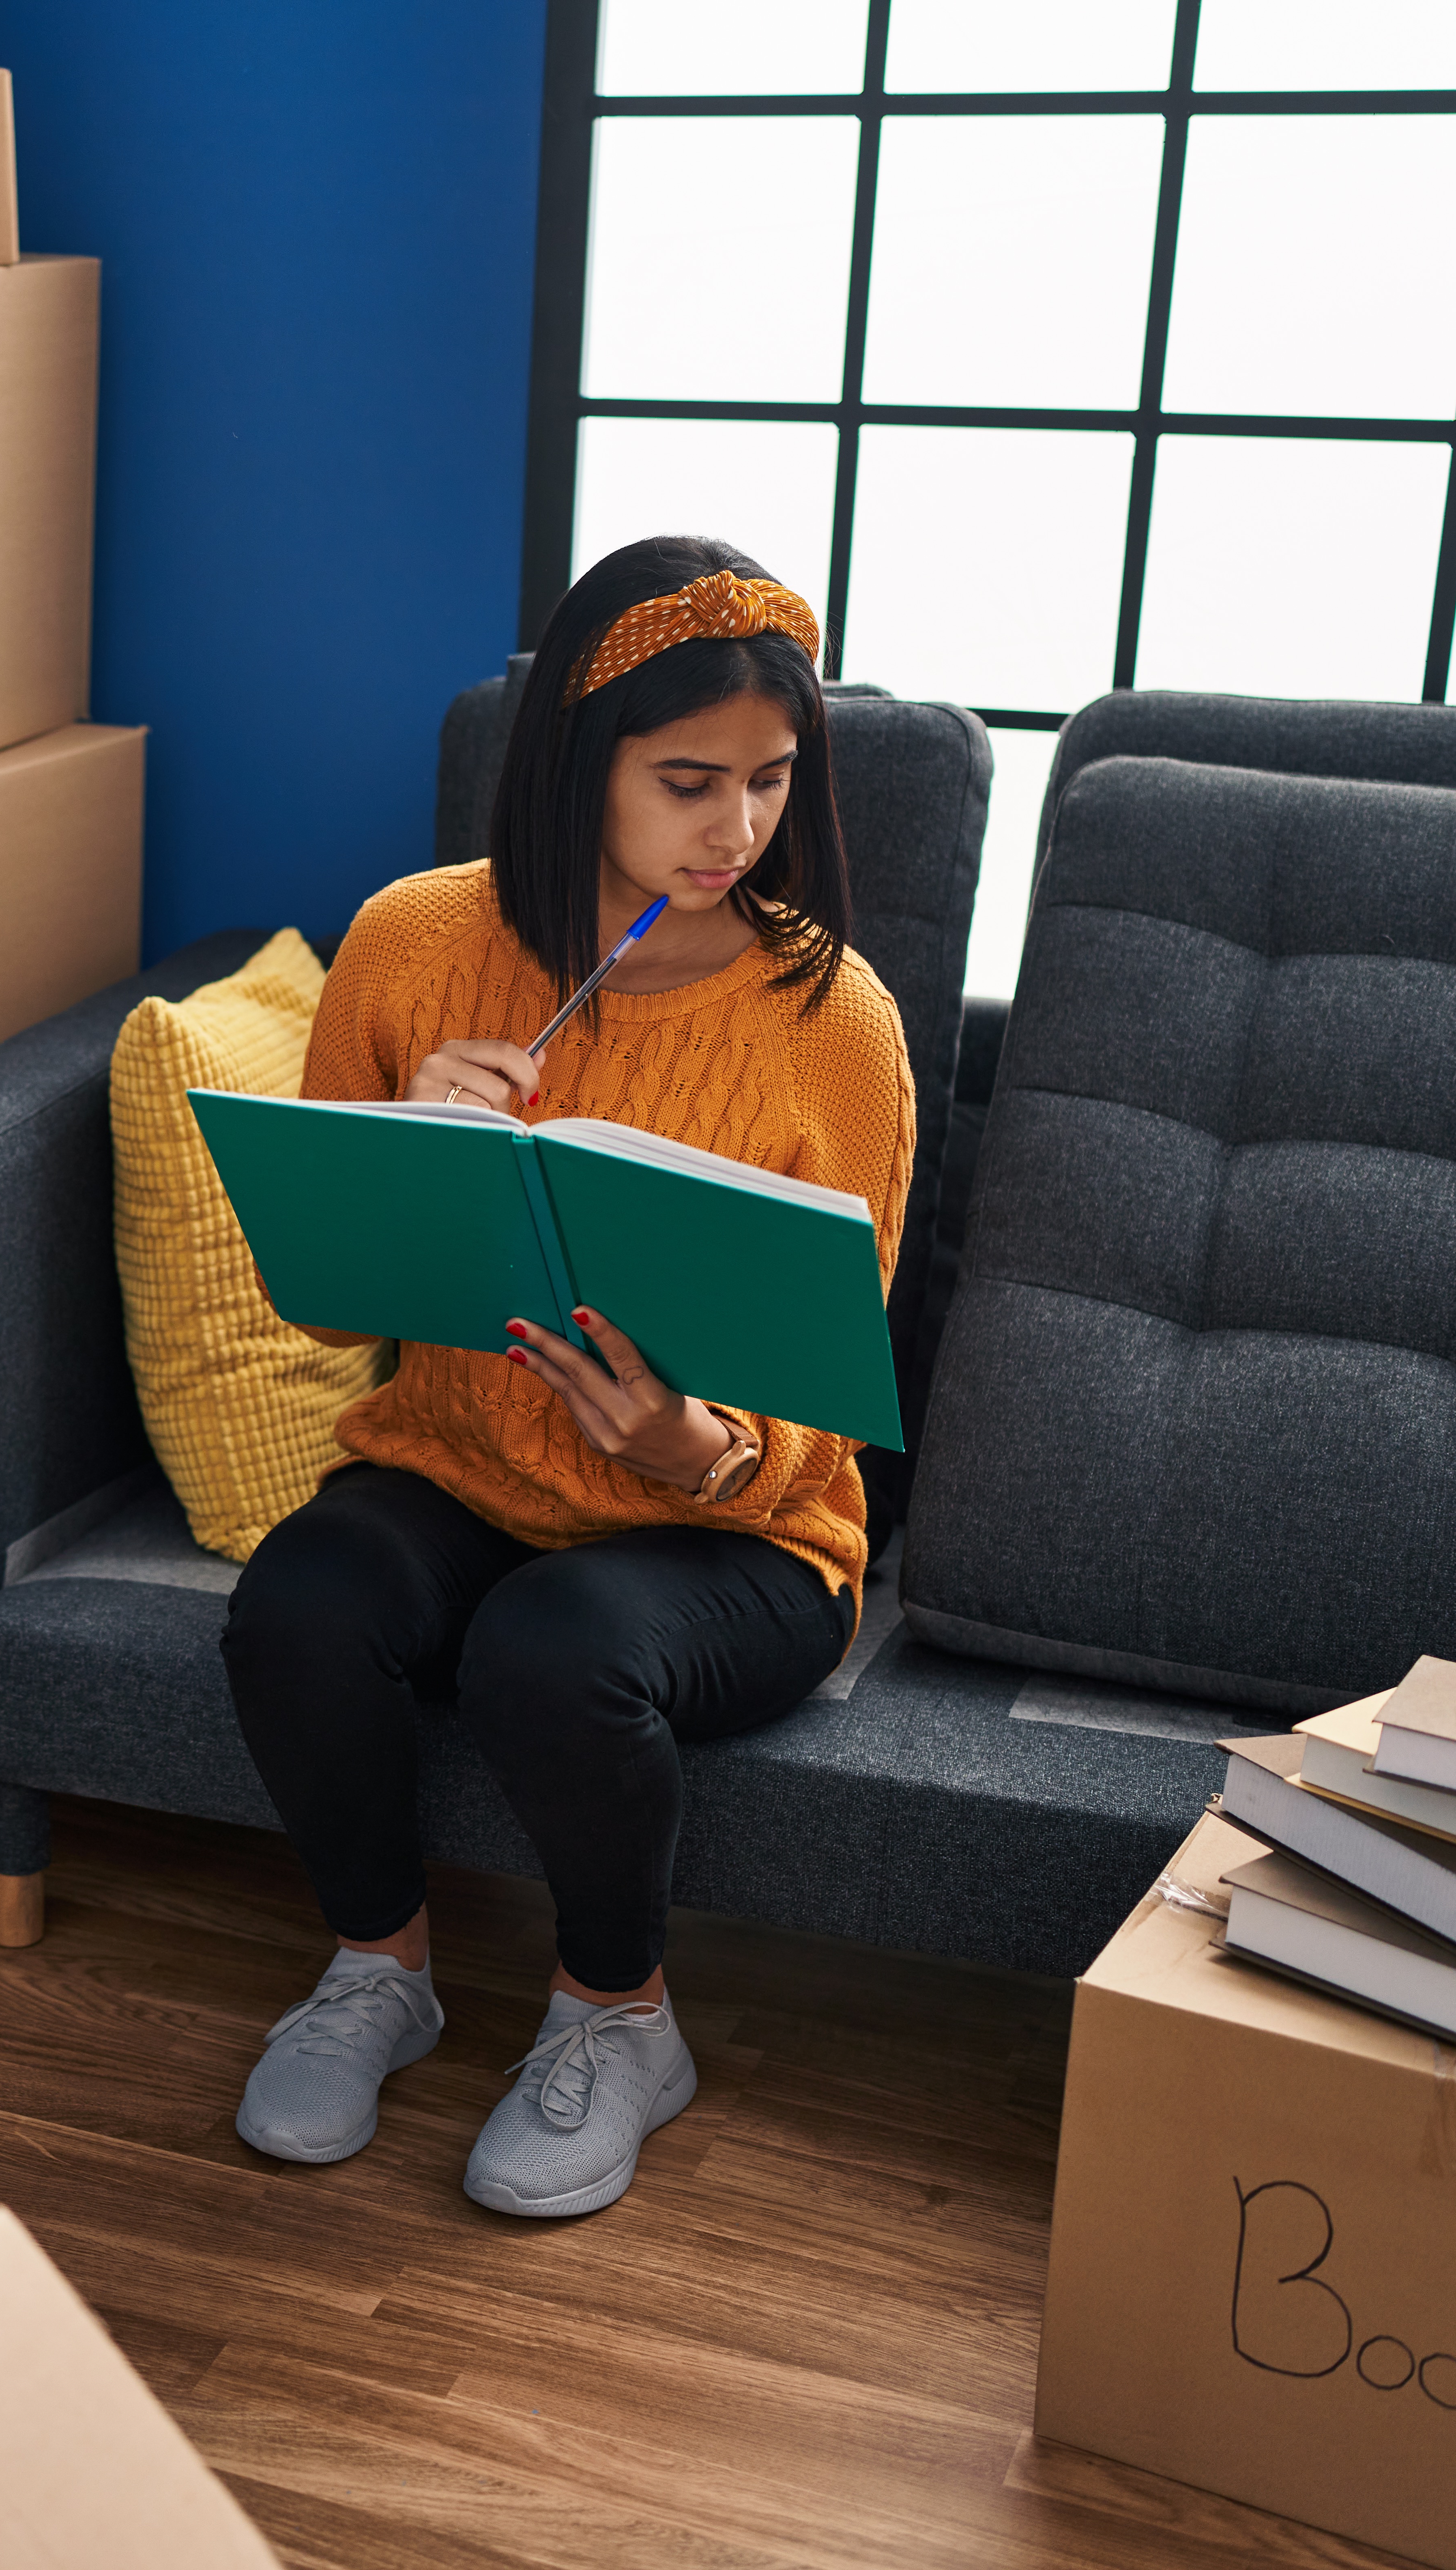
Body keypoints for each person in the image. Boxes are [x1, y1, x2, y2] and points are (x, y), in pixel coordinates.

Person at [222, 534, 915, 2218]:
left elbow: (831, 1378)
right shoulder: (410, 945)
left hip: (739, 1535)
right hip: (461, 1468)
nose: (734, 827)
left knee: (556, 1648)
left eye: (767, 782)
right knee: (300, 1600)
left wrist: (696, 1452)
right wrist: (401, 1156)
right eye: (688, 781)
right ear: (574, 764)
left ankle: (622, 2019)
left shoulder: (839, 1022)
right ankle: (380, 1972)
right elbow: (320, 1312)